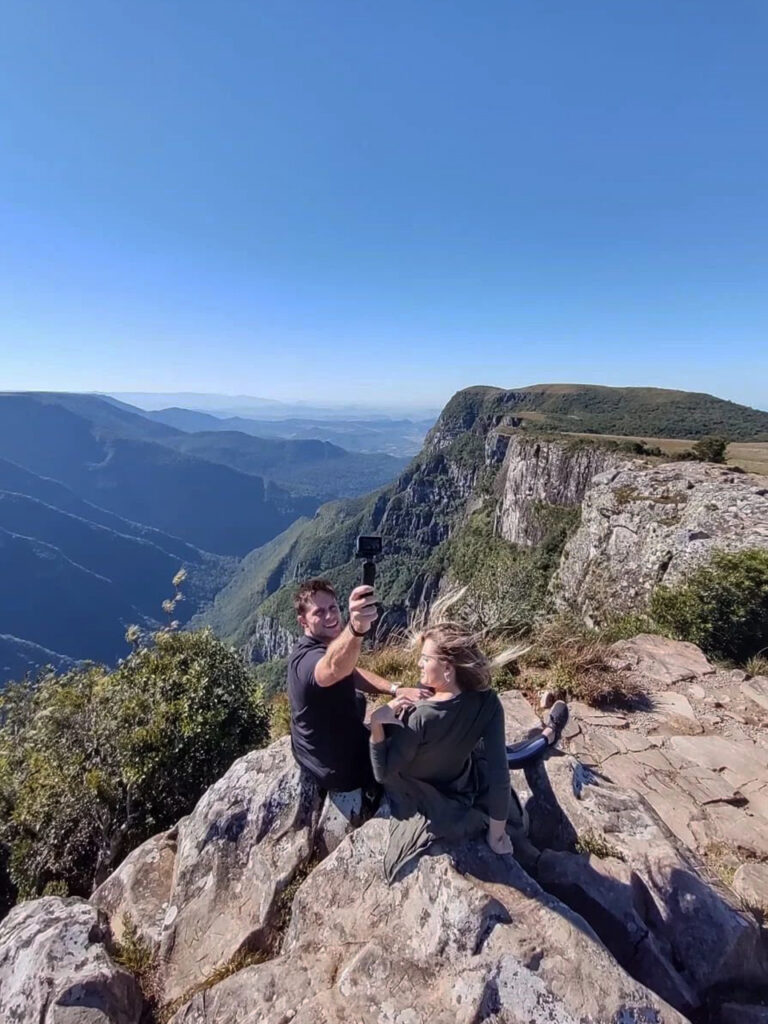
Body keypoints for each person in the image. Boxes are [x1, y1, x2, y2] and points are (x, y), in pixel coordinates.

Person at [368, 621, 568, 882]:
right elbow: (499, 774)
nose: (419, 664)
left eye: (425, 659)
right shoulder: (487, 701)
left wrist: (377, 723)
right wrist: (497, 836)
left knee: (490, 754)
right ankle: (547, 736)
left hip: (426, 794)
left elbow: (382, 773)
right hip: (463, 777)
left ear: (448, 670)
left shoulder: (419, 717)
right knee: (498, 755)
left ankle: (547, 735)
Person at [287, 577, 426, 795]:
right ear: (302, 621)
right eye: (319, 612)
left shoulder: (317, 646)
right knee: (413, 729)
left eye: (332, 607)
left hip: (309, 748)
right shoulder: (307, 662)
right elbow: (332, 668)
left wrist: (394, 689)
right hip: (340, 771)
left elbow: (349, 671)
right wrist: (356, 628)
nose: (330, 616)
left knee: (359, 699)